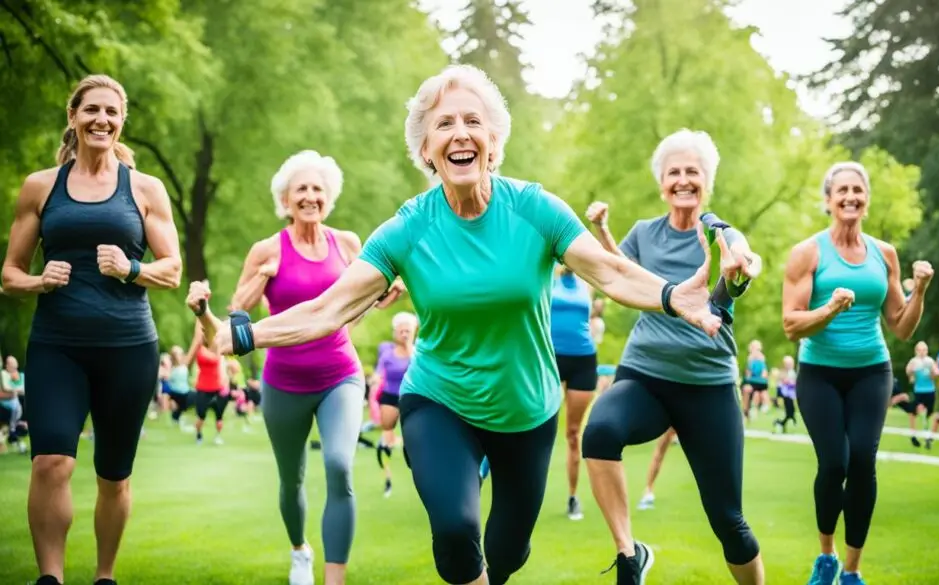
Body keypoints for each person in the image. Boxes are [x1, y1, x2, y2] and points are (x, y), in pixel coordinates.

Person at [199, 64, 722, 585]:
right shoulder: (408, 227)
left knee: (507, 553)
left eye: (473, 121)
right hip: (439, 400)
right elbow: (328, 308)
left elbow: (608, 270)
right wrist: (245, 333)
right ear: (426, 150)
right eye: (444, 124)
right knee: (456, 532)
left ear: (493, 141)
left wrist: (676, 295)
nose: (460, 133)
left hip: (527, 409)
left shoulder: (535, 208)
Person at [1, 74, 181, 585]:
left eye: (111, 112)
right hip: (58, 346)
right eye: (91, 110)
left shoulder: (144, 189)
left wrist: (130, 269)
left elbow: (172, 269)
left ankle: (104, 575)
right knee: (50, 464)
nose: (101, 119)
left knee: (113, 477)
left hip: (129, 349)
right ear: (73, 118)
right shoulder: (42, 186)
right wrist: (38, 279)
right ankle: (50, 577)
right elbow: (9, 275)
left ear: (121, 121)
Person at [581, 128, 765, 585]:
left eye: (693, 172)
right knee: (599, 433)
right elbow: (619, 274)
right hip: (646, 375)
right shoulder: (645, 233)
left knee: (729, 521)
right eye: (674, 172)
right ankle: (630, 555)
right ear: (661, 182)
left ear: (707, 181)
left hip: (708, 387)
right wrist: (604, 231)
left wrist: (740, 268)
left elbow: (738, 265)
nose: (683, 180)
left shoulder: (721, 232)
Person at [197, 150, 383, 585]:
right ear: (285, 198)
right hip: (283, 382)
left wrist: (378, 297)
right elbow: (235, 319)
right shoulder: (267, 248)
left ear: (328, 197)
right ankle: (300, 549)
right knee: (291, 480)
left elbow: (358, 304)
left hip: (340, 373)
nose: (310, 196)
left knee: (339, 464)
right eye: (301, 188)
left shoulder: (348, 244)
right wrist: (262, 277)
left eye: (318, 188)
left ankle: (333, 578)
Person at [781, 161, 933, 585]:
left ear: (866, 199)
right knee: (834, 463)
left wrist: (918, 290)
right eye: (842, 190)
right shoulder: (807, 253)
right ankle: (826, 557)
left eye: (857, 190)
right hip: (820, 373)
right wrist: (829, 309)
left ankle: (851, 570)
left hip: (871, 369)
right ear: (828, 200)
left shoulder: (884, 254)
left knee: (863, 460)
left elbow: (901, 326)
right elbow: (791, 323)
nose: (850, 197)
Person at [551, 264, 600, 520]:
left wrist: (601, 227)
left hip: (583, 360)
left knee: (572, 433)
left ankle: (572, 497)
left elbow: (609, 262)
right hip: (549, 358)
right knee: (533, 427)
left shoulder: (587, 283)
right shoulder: (546, 275)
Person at [374, 311, 418, 497]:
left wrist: (409, 345)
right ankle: (388, 479)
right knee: (386, 440)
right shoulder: (386, 350)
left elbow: (419, 367)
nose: (404, 334)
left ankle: (419, 473)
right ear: (395, 332)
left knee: (413, 440)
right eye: (401, 330)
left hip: (411, 397)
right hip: (390, 396)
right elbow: (379, 371)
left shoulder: (417, 351)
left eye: (408, 330)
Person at [903, 341, 938, 447]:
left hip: (930, 390)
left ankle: (928, 437)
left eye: (924, 350)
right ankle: (913, 435)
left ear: (927, 351)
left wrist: (932, 372)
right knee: (914, 413)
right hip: (919, 391)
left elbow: (935, 374)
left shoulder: (930, 361)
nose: (922, 352)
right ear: (916, 351)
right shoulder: (914, 361)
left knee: (929, 414)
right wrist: (911, 371)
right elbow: (908, 373)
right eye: (920, 350)